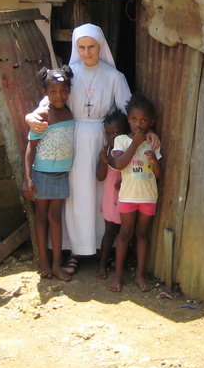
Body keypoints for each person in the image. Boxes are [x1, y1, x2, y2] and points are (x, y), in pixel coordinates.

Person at [26, 24, 131, 274]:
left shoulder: (114, 76)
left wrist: (144, 134)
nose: (86, 52)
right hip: (72, 140)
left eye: (91, 47)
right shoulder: (68, 74)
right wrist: (29, 117)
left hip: (102, 140)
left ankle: (100, 248)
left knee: (100, 196)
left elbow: (128, 109)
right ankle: (75, 249)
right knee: (76, 196)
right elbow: (45, 105)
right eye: (81, 47)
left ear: (100, 46)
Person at [23, 66, 74, 281]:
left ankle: (56, 264)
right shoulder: (43, 115)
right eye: (53, 92)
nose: (59, 96)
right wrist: (28, 178)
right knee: (42, 216)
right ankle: (43, 260)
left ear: (69, 91)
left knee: (56, 217)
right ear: (45, 93)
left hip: (62, 173)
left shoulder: (69, 112)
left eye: (63, 91)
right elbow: (30, 148)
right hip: (42, 174)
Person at [109, 93, 163, 293]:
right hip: (128, 197)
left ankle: (140, 275)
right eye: (133, 119)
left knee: (142, 234)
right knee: (124, 233)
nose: (138, 124)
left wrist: (154, 161)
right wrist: (136, 143)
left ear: (151, 122)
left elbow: (158, 174)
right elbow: (119, 163)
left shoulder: (153, 143)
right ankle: (118, 275)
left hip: (148, 197)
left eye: (143, 120)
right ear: (128, 119)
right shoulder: (122, 141)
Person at [96, 110, 128, 279]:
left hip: (126, 197)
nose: (112, 137)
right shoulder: (106, 151)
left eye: (116, 133)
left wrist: (123, 181)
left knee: (126, 231)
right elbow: (100, 177)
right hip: (110, 199)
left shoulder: (129, 151)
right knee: (109, 232)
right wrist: (103, 162)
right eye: (108, 133)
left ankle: (121, 263)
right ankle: (102, 264)